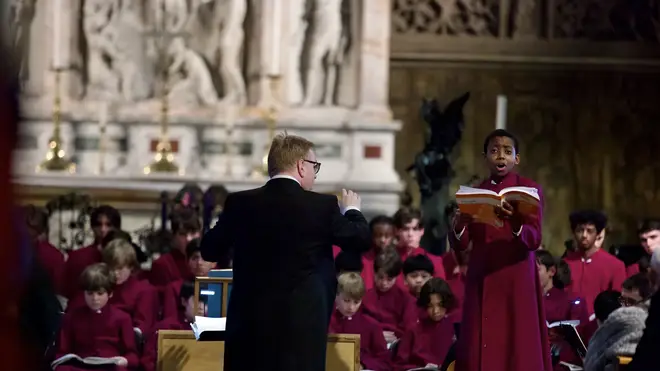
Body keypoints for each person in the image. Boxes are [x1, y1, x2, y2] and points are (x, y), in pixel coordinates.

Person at [200, 133, 371, 371]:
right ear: (301, 166)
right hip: (301, 329)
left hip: (250, 327)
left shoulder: (240, 203)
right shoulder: (322, 206)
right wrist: (352, 210)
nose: (315, 173)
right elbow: (361, 238)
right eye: (315, 166)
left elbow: (209, 249)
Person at [451, 129, 551, 371]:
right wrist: (459, 226)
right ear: (484, 156)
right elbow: (462, 245)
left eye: (507, 152)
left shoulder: (529, 190)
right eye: (494, 151)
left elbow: (535, 239)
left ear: (517, 158)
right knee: (479, 344)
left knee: (518, 344)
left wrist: (515, 223)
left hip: (516, 277)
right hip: (482, 274)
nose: (501, 157)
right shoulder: (475, 192)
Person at [53, 263, 138, 370]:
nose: (95, 298)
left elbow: (133, 356)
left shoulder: (122, 318)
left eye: (100, 293)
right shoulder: (72, 317)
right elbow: (62, 352)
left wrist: (124, 360)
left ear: (110, 293)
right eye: (90, 293)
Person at [563, 210, 626, 316]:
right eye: (580, 230)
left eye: (589, 231)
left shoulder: (615, 265)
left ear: (598, 233)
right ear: (573, 233)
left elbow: (619, 302)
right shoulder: (565, 263)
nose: (584, 235)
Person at [393, 277, 458, 371]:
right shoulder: (413, 330)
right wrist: (422, 369)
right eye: (430, 306)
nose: (436, 311)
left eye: (440, 305)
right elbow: (398, 366)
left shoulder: (454, 328)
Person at [328, 272, 390, 371]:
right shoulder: (325, 321)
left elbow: (385, 361)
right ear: (336, 296)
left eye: (356, 302)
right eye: (347, 300)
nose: (351, 307)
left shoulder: (371, 325)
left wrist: (363, 365)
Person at [362, 249, 417, 344]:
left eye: (389, 279)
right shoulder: (364, 297)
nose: (384, 283)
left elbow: (409, 329)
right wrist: (376, 334)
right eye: (380, 277)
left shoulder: (406, 300)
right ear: (373, 273)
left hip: (396, 344)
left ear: (397, 277)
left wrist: (397, 337)